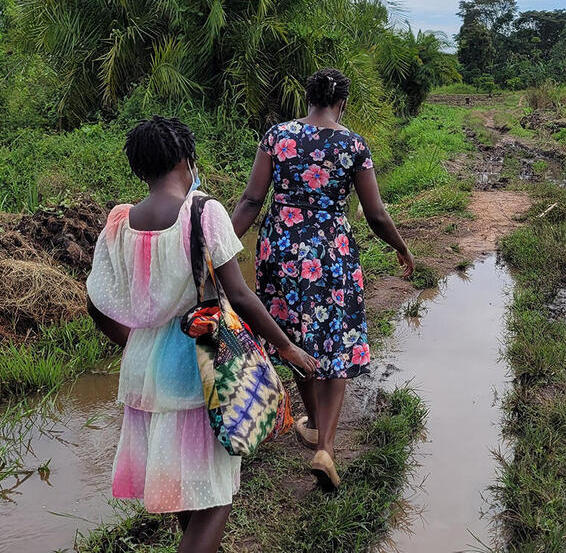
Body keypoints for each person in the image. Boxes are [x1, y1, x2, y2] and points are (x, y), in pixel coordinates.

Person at [86, 116, 317, 553]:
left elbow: (97, 304)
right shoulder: (203, 210)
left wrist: (135, 346)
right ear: (186, 159)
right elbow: (241, 295)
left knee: (179, 483)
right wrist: (286, 346)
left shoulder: (119, 222)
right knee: (214, 497)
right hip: (200, 367)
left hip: (143, 371)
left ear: (141, 169)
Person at [231, 68, 414, 489]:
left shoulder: (277, 136)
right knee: (336, 339)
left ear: (307, 98)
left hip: (281, 250)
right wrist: (401, 246)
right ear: (342, 103)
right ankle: (325, 447)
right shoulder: (353, 144)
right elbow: (376, 214)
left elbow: (252, 199)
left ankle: (312, 421)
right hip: (331, 254)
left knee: (294, 335)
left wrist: (217, 247)